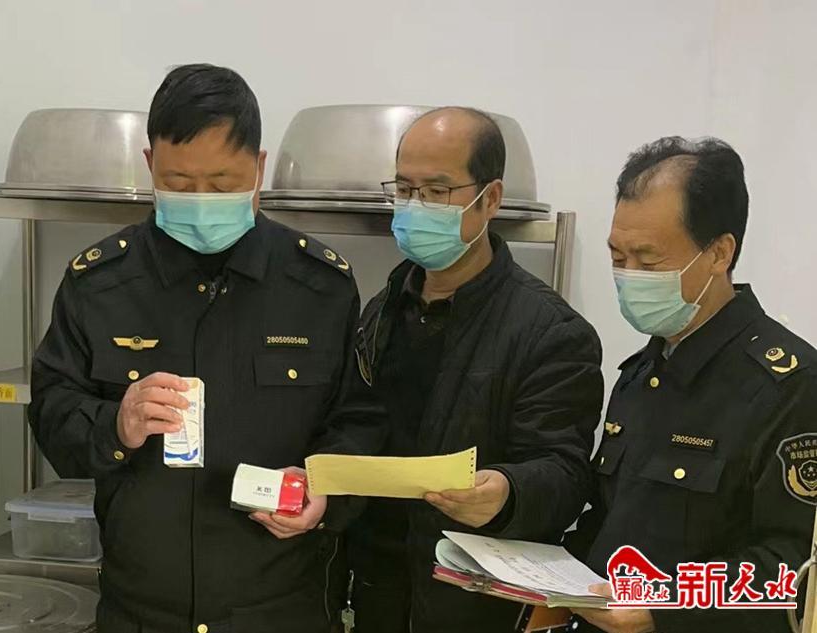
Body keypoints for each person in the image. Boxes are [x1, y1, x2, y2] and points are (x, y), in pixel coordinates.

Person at [28, 64, 383, 633]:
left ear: (259, 168)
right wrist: (116, 424)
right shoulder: (100, 283)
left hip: (283, 608)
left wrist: (326, 496)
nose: (200, 200)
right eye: (179, 181)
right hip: (142, 610)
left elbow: (360, 422)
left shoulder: (319, 286)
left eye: (221, 183)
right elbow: (51, 410)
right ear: (150, 164)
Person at [346, 107, 605, 633]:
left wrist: (508, 491)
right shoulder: (382, 309)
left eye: (437, 191)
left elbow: (566, 471)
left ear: (490, 199)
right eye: (404, 189)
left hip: (472, 602)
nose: (415, 206)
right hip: (376, 588)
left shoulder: (550, 332)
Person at [567, 136, 816, 633]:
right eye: (617, 257)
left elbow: (794, 567)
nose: (628, 276)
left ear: (719, 252)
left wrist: (664, 608)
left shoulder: (790, 385)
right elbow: (610, 523)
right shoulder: (641, 374)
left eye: (648, 260)